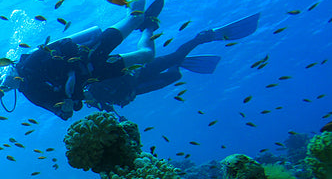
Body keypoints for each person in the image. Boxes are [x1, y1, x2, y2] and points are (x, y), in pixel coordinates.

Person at [0, 0, 218, 120]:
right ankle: (150, 26)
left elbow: (63, 45)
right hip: (97, 73)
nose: (7, 85)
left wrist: (73, 69)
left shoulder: (30, 62)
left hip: (90, 52)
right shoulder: (31, 94)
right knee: (147, 56)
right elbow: (62, 111)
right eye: (4, 89)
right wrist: (66, 108)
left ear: (6, 71)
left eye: (3, 81)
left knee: (134, 18)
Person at [83, 12, 261, 111]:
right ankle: (179, 62)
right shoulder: (98, 100)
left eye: (86, 99)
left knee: (175, 55)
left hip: (141, 72)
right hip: (138, 88)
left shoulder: (93, 83)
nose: (87, 102)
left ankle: (203, 37)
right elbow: (110, 108)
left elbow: (115, 71)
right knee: (175, 76)